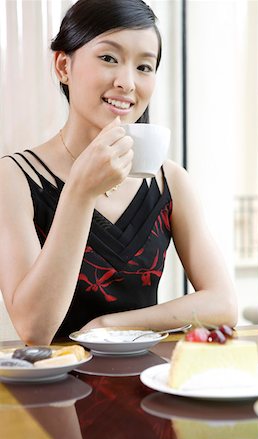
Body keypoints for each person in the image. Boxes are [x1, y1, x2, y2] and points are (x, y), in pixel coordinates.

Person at [0, 0, 237, 345]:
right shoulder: (14, 178)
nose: (127, 83)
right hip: (54, 392)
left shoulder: (170, 181)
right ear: (64, 66)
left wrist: (111, 324)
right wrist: (80, 192)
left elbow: (223, 302)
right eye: (109, 58)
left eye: (144, 66)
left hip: (151, 386)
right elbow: (35, 330)